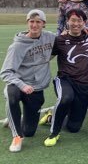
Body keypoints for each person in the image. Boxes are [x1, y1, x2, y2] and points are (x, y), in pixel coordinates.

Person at [0, 10, 55, 152]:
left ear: (44, 24)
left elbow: (66, 38)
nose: (34, 25)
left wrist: (84, 28)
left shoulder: (49, 37)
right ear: (27, 23)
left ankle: (12, 119)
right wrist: (22, 85)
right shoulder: (17, 46)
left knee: (29, 132)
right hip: (18, 85)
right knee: (12, 97)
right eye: (31, 21)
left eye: (38, 22)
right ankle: (17, 136)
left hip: (36, 88)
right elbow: (5, 72)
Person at [44, 9, 88, 147]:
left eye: (79, 21)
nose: (76, 24)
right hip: (65, 80)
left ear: (85, 23)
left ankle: (51, 116)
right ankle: (54, 133)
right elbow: (47, 58)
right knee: (66, 98)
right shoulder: (60, 40)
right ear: (67, 22)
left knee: (74, 128)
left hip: (84, 85)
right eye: (73, 20)